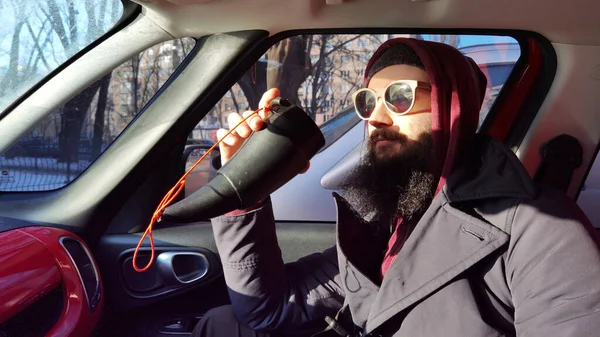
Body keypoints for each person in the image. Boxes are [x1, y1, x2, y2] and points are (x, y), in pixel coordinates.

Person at [191, 38, 600, 337]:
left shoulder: (544, 231)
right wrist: (246, 186)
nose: (377, 118)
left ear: (450, 106)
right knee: (218, 325)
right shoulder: (387, 222)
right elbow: (267, 309)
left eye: (400, 97)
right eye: (368, 102)